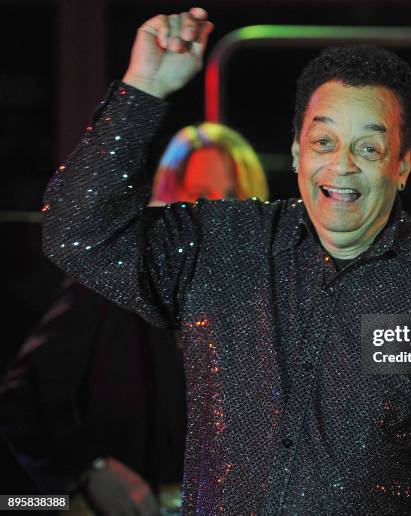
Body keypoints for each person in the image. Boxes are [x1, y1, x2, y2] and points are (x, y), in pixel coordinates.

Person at [41, 7, 411, 515]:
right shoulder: (222, 246)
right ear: (298, 153)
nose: (341, 164)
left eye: (368, 147)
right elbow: (75, 233)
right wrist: (144, 86)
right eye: (324, 142)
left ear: (402, 166)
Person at [2, 119, 268, 515]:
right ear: (165, 200)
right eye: (198, 195)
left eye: (231, 196)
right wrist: (89, 475)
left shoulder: (267, 301)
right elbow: (23, 399)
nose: (216, 210)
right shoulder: (116, 282)